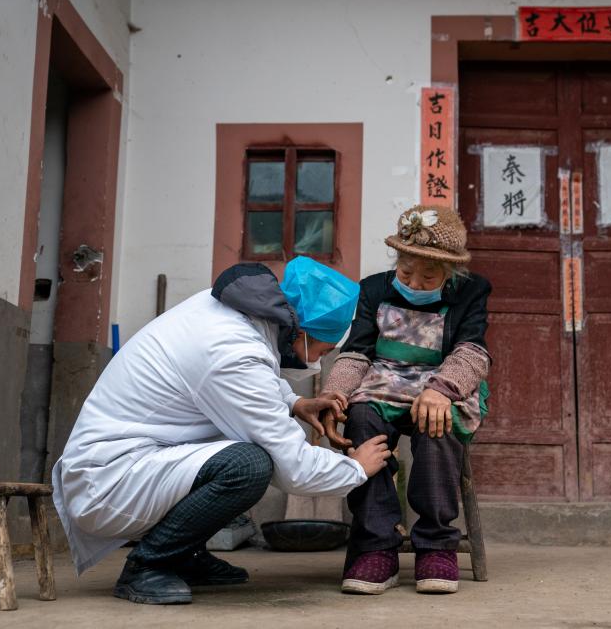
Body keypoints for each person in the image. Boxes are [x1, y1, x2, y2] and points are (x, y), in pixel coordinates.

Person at [51, 257, 392, 605]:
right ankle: (148, 565)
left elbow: (250, 380)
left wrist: (294, 403)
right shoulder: (232, 351)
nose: (319, 359)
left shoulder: (232, 314)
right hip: (110, 480)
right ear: (302, 333)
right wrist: (356, 468)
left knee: (234, 441)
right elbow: (293, 466)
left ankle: (185, 555)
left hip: (138, 456)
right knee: (249, 465)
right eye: (325, 349)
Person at [319, 205, 491, 595]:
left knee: (437, 423)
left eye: (429, 275)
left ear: (451, 271)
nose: (415, 281)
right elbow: (357, 352)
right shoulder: (373, 289)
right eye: (406, 271)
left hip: (444, 380)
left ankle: (436, 544)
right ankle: (377, 545)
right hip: (383, 380)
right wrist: (335, 393)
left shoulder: (471, 291)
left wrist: (441, 389)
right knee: (361, 418)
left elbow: (472, 350)